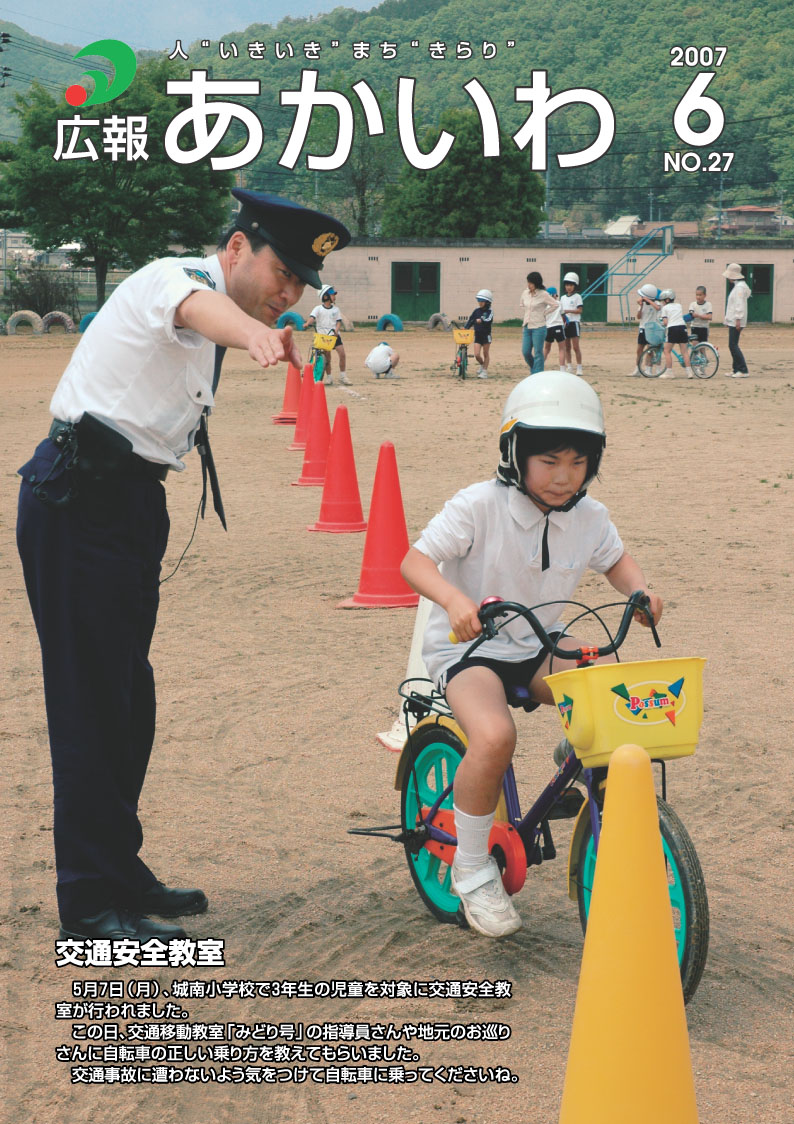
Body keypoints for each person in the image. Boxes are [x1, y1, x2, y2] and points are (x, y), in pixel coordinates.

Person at [16, 190, 350, 943]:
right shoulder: (167, 280)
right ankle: (89, 907)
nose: (287, 292)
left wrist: (268, 328)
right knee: (90, 709)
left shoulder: (228, 307)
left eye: (300, 284)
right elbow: (200, 310)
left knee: (128, 705)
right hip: (78, 502)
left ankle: (119, 870)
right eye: (280, 273)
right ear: (236, 249)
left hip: (129, 506)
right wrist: (257, 337)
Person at [400, 372, 663, 938]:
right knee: (494, 737)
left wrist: (639, 592)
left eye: (578, 462)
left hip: (540, 641)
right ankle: (471, 871)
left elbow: (617, 562)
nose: (564, 476)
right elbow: (414, 561)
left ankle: (582, 762)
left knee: (607, 697)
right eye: (549, 461)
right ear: (514, 453)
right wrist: (453, 598)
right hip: (472, 649)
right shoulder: (477, 505)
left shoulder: (589, 516)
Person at [305, 283, 351, 386]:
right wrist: (307, 323)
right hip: (323, 336)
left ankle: (343, 376)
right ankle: (329, 377)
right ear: (325, 296)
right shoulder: (318, 309)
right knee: (327, 358)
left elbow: (338, 321)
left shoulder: (336, 309)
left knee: (342, 354)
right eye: (332, 294)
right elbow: (312, 317)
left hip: (334, 335)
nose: (334, 296)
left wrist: (336, 330)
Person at [520, 272, 559, 373]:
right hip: (527, 326)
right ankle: (535, 370)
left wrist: (544, 313)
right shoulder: (525, 293)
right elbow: (522, 304)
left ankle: (537, 373)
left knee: (538, 352)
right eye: (528, 282)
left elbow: (555, 305)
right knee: (526, 352)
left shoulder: (544, 294)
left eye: (531, 283)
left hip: (539, 327)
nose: (528, 285)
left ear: (536, 283)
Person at [722, 263, 751, 378]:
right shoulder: (739, 286)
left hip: (736, 320)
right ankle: (736, 369)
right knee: (733, 345)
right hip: (733, 320)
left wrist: (737, 319)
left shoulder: (739, 288)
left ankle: (743, 370)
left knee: (733, 345)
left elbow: (739, 305)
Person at [658, 288, 694, 379]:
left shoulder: (665, 308)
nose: (662, 302)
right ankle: (689, 372)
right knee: (684, 352)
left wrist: (663, 322)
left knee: (667, 350)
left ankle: (669, 372)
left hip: (673, 329)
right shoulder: (679, 305)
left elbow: (666, 322)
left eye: (662, 300)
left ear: (667, 300)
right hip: (682, 328)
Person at [630, 283, 663, 376]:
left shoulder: (656, 303)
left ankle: (649, 369)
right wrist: (640, 306)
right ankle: (637, 369)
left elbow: (658, 308)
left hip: (652, 328)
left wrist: (648, 300)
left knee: (650, 350)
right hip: (643, 328)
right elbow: (639, 317)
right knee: (639, 349)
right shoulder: (642, 304)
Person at [464, 288, 494, 379]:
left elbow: (489, 319)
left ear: (487, 302)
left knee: (485, 353)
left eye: (482, 301)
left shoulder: (490, 312)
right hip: (478, 335)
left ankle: (484, 371)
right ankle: (482, 365)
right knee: (477, 354)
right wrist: (466, 328)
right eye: (479, 301)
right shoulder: (476, 311)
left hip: (486, 335)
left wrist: (482, 320)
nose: (480, 303)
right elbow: (471, 320)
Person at [560, 271, 584, 375]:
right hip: (565, 324)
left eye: (570, 285)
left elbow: (579, 310)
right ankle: (569, 366)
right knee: (567, 346)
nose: (568, 287)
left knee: (575, 346)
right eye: (567, 285)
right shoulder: (562, 298)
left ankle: (579, 367)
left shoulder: (577, 296)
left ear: (574, 286)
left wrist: (568, 311)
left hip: (574, 323)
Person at [542, 286, 567, 371]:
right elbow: (563, 315)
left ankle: (540, 366)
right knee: (562, 348)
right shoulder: (558, 303)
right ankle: (562, 369)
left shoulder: (545, 306)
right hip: (558, 326)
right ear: (555, 295)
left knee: (546, 348)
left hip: (548, 328)